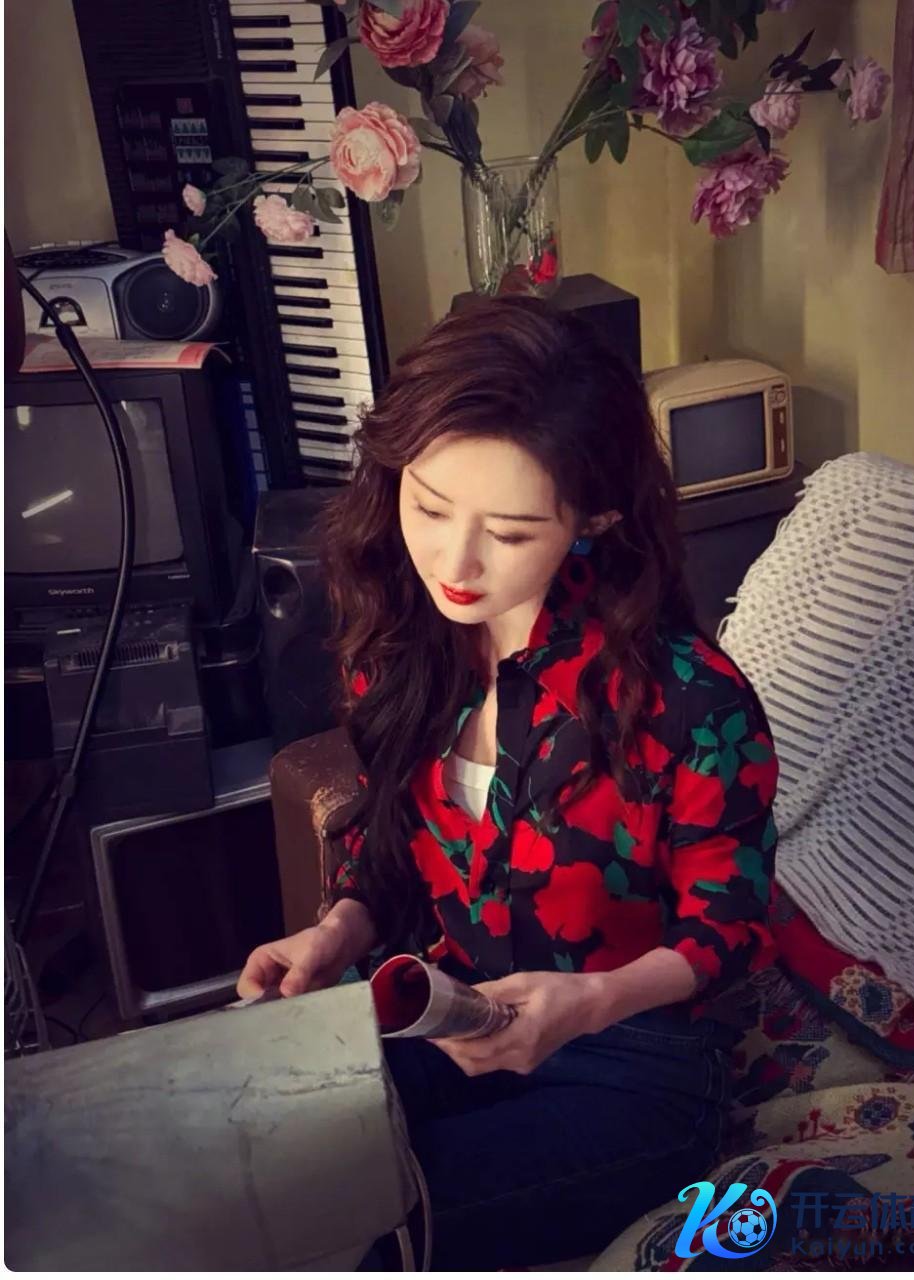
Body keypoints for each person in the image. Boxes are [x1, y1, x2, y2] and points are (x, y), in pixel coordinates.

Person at [238, 295, 779, 1270]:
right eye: (429, 507)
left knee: (381, 1229)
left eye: (513, 531)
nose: (455, 561)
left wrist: (588, 1002)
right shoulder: (401, 644)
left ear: (593, 517)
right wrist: (336, 932)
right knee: (251, 1161)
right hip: (445, 1008)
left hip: (631, 1065)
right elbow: (393, 850)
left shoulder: (692, 700)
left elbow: (728, 929)